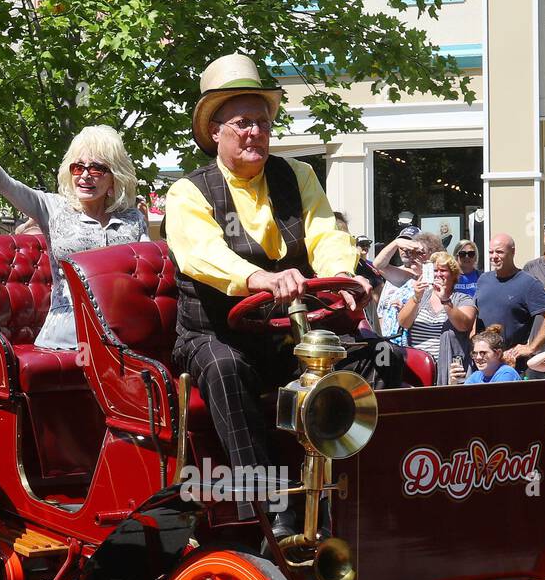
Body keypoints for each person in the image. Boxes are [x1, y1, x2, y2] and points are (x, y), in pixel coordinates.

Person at [162, 53, 392, 530]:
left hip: (289, 331)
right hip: (214, 335)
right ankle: (268, 511)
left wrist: (343, 278)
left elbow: (326, 234)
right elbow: (201, 255)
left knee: (378, 355)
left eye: (263, 124)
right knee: (226, 369)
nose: (255, 133)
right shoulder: (189, 192)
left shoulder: (299, 176)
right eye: (243, 123)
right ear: (216, 131)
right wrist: (259, 279)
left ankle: (382, 487)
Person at [0, 97, 148, 350]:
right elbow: (5, 183)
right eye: (77, 167)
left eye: (96, 169)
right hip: (67, 333)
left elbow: (147, 275)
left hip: (124, 331)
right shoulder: (52, 207)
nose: (84, 175)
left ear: (114, 177)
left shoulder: (132, 219)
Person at [476, 234, 545, 368]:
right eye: (491, 252)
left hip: (513, 364)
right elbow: (475, 314)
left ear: (513, 252)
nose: (494, 256)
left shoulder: (528, 283)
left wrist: (531, 347)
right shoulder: (483, 280)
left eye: (499, 252)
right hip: (483, 364)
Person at [397, 251, 475, 383]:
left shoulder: (462, 299)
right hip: (418, 370)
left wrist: (445, 300)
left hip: (449, 372)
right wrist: (416, 297)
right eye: (435, 270)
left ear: (454, 275)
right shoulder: (420, 297)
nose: (438, 274)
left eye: (443, 270)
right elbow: (403, 322)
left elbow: (464, 325)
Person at [372, 230, 438, 344]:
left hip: (413, 345)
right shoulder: (408, 277)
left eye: (419, 253)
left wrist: (406, 309)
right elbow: (378, 264)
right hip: (390, 344)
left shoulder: (436, 283)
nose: (413, 256)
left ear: (432, 255)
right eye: (412, 252)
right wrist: (396, 243)